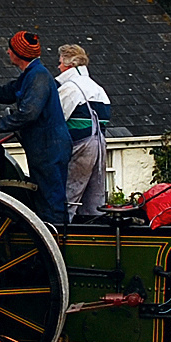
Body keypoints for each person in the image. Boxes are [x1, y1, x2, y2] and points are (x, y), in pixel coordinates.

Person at [0, 31, 71, 225]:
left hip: (48, 147)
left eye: (10, 49)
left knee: (50, 201)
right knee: (45, 199)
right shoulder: (31, 75)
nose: (7, 52)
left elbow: (29, 113)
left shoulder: (38, 78)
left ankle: (56, 243)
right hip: (44, 146)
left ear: (18, 54)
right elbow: (6, 92)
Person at [56, 44, 112, 223]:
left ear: (69, 65)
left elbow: (55, 119)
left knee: (68, 195)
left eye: (60, 63)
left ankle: (61, 233)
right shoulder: (98, 88)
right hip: (100, 143)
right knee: (94, 198)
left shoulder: (70, 88)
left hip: (81, 144)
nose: (58, 67)